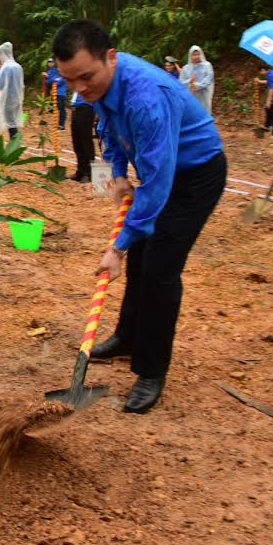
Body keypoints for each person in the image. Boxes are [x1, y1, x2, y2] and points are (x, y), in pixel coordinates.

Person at [53, 20, 226, 414]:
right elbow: (111, 129)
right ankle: (128, 336)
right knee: (141, 264)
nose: (79, 88)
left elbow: (160, 182)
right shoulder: (99, 82)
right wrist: (116, 172)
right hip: (160, 172)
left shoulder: (147, 97)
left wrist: (118, 246)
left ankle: (150, 370)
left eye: (86, 77)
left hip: (195, 175)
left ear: (110, 58)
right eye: (69, 80)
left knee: (160, 268)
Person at [0, 42, 24, 139]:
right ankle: (14, 142)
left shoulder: (6, 67)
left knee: (9, 124)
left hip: (6, 99)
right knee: (13, 122)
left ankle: (13, 144)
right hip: (17, 97)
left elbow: (0, 84)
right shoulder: (18, 66)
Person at [179, 45, 215, 115]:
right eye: (194, 55)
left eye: (198, 54)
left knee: (204, 113)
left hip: (203, 95)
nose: (196, 56)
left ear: (201, 54)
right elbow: (180, 82)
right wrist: (190, 81)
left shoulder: (207, 65)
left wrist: (197, 85)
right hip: (191, 96)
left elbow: (209, 78)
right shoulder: (186, 68)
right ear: (190, 55)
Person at [70, 89, 95, 182]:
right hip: (75, 109)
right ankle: (80, 171)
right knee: (77, 142)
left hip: (86, 109)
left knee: (86, 142)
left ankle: (88, 173)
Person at [45, 58, 68, 130]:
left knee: (62, 110)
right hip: (55, 94)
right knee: (55, 109)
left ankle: (61, 126)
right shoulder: (55, 73)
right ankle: (57, 124)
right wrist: (53, 80)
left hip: (61, 94)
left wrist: (53, 80)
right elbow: (48, 82)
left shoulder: (64, 74)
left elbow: (59, 82)